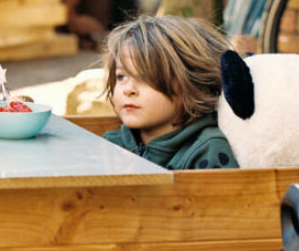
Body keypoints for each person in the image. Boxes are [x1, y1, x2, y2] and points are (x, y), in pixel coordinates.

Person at [100, 16, 239, 170]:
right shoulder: (113, 144)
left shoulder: (208, 149)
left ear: (191, 82)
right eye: (122, 77)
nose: (128, 90)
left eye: (147, 77)